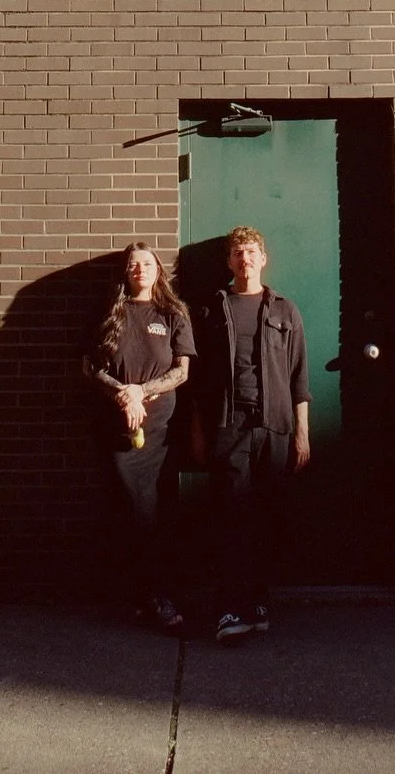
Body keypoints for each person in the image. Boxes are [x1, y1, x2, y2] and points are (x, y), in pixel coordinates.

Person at [191, 224, 310, 644]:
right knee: (230, 517)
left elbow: (299, 377)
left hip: (274, 427)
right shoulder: (211, 309)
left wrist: (302, 434)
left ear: (264, 259)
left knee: (268, 519)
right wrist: (199, 432)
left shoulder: (285, 310)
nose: (245, 258)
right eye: (238, 252)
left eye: (252, 251)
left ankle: (256, 603)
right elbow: (199, 380)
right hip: (229, 426)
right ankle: (229, 608)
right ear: (229, 262)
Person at [82, 240, 196, 632]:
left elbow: (182, 372)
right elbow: (90, 367)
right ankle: (141, 595)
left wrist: (140, 392)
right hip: (118, 431)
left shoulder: (172, 313)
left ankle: (158, 596)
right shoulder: (109, 313)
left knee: (156, 513)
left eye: (147, 263)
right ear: (125, 272)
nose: (140, 269)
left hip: (160, 431)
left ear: (158, 270)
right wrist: (122, 394)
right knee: (130, 511)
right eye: (133, 264)